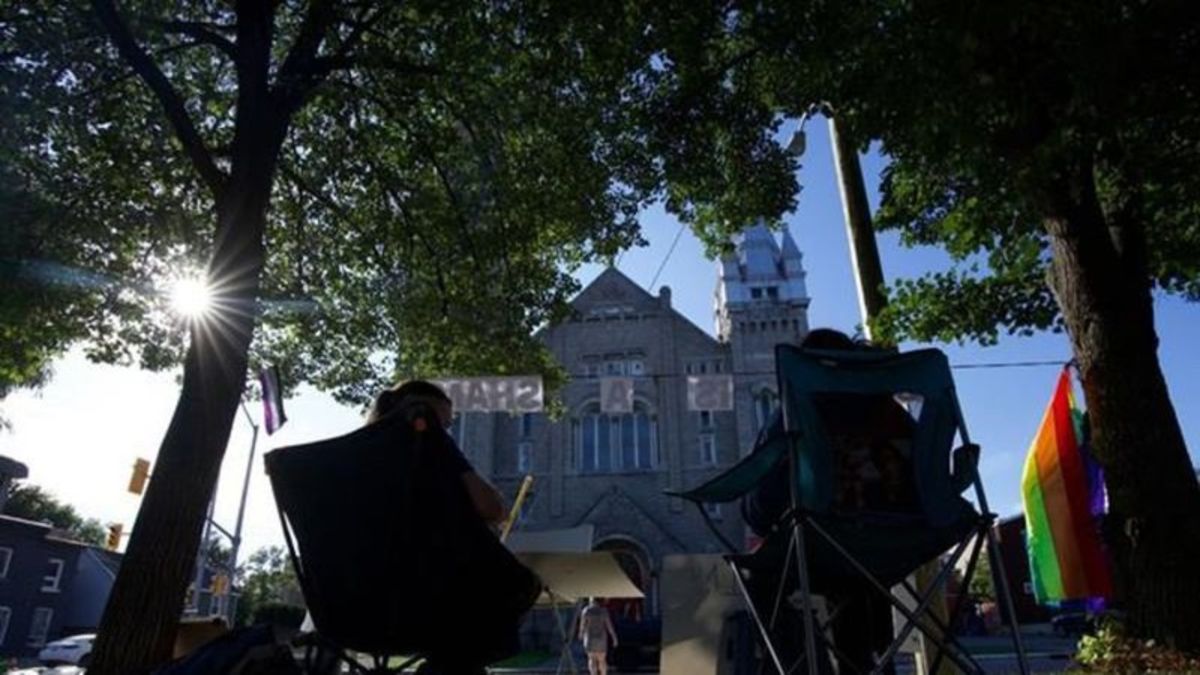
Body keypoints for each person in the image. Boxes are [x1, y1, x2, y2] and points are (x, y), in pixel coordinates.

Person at [368, 380, 540, 675]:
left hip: (355, 605)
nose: (448, 433)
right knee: (520, 584)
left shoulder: (353, 459)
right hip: (429, 602)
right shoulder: (430, 445)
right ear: (424, 417)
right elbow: (493, 509)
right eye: (446, 426)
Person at [577, 598, 618, 675]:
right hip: (601, 639)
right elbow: (609, 626)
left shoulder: (586, 611)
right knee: (602, 660)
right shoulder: (603, 611)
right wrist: (614, 638)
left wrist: (580, 635)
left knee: (591, 659)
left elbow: (582, 626)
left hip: (590, 639)